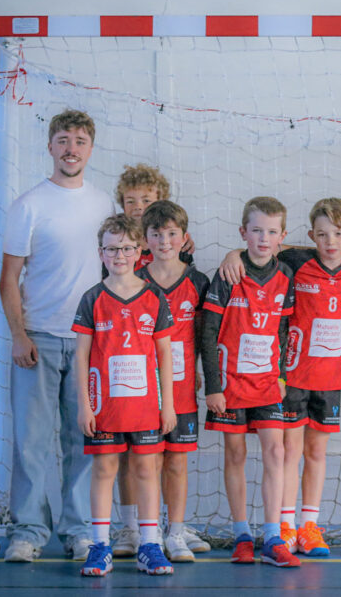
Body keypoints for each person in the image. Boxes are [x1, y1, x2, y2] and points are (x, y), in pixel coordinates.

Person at [0, 109, 116, 562]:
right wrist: (19, 335)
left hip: (89, 342)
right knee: (30, 443)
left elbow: (122, 265)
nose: (71, 149)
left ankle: (80, 531)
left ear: (91, 149)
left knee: (82, 440)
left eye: (80, 141)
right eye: (63, 140)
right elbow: (9, 279)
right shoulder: (29, 204)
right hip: (39, 339)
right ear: (50, 146)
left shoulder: (104, 205)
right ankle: (27, 532)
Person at [72, 214, 176, 576]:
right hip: (104, 405)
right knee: (104, 469)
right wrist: (84, 405)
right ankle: (100, 546)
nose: (120, 255)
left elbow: (164, 354)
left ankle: (150, 544)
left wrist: (168, 405)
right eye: (112, 249)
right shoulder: (92, 298)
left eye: (127, 248)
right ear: (101, 252)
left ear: (139, 252)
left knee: (146, 468)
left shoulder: (154, 297)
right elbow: (81, 356)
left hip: (145, 404)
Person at [201, 197, 300, 568]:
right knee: (236, 454)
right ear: (243, 232)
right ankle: (242, 534)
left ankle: (273, 537)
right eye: (256, 230)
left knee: (276, 452)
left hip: (268, 383)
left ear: (282, 236)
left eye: (271, 232)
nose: (263, 238)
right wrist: (213, 386)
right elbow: (208, 332)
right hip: (230, 384)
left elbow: (284, 329)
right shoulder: (229, 273)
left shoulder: (285, 275)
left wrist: (283, 375)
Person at [273, 198, 341, 557]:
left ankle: (309, 526)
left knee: (316, 451)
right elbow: (261, 248)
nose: (331, 241)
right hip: (295, 375)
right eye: (322, 234)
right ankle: (285, 525)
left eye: (338, 233)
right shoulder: (296, 262)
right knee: (290, 450)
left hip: (332, 378)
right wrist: (232, 255)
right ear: (311, 235)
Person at [136, 201, 210, 563]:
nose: (164, 241)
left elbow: (203, 334)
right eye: (156, 234)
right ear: (145, 239)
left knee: (177, 462)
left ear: (184, 237)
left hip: (181, 389)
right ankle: (147, 533)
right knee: (148, 463)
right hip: (143, 388)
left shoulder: (198, 282)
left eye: (171, 233)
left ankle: (176, 531)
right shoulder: (134, 279)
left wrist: (199, 371)